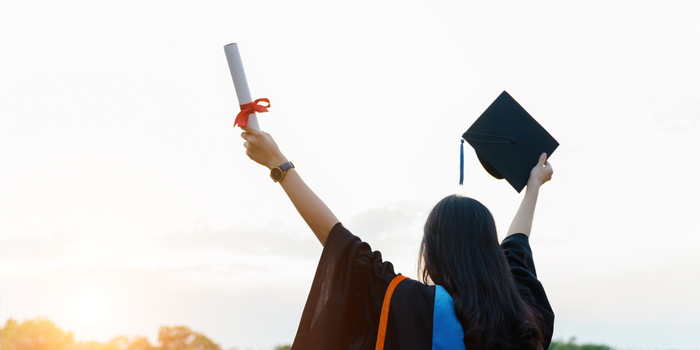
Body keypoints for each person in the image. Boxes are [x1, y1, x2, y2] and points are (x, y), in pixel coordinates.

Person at [240, 126, 555, 350]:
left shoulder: (414, 308)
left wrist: (278, 163)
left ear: (432, 253)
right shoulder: (524, 316)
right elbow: (516, 247)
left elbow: (341, 243)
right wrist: (534, 186)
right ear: (491, 250)